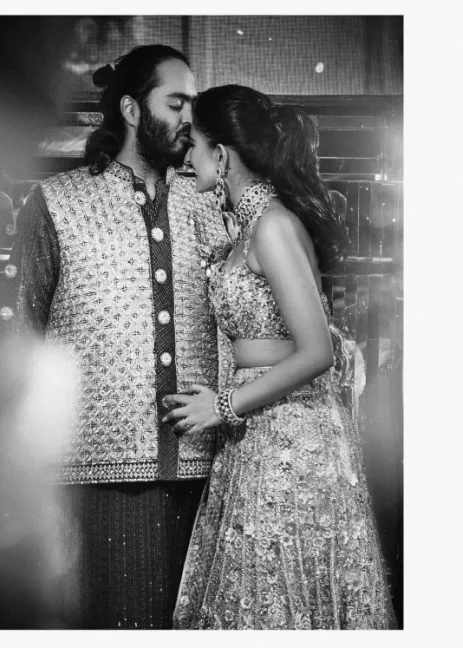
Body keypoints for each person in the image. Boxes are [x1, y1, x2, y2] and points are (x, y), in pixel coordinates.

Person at [0, 45, 230, 629]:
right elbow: (21, 341)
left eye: (194, 104)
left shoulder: (210, 205)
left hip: (207, 474)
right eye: (176, 103)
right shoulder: (57, 202)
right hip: (91, 480)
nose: (190, 118)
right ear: (130, 109)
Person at [164, 85, 397, 629]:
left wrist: (222, 405)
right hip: (256, 432)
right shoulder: (247, 230)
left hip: (292, 437)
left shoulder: (273, 225)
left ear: (222, 156)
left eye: (194, 143)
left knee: (278, 596)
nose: (187, 155)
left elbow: (317, 351)